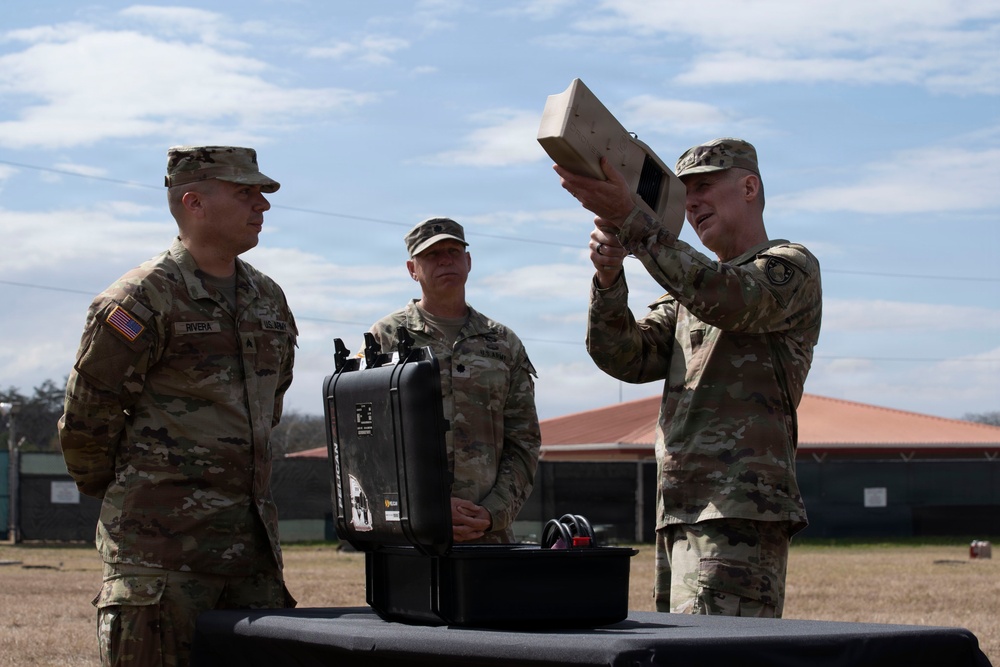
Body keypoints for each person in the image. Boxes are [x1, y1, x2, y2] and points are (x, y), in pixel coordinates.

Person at [554, 138, 822, 617]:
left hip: (739, 507)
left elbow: (731, 299)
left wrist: (636, 224)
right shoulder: (686, 294)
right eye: (685, 192)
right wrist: (610, 280)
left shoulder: (788, 265)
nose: (692, 202)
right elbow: (625, 356)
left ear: (749, 187)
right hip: (679, 509)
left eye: (704, 186)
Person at [58, 145, 298, 666]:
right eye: (245, 194)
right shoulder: (140, 299)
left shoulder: (268, 299)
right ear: (194, 202)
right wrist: (141, 500)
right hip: (160, 561)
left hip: (251, 558)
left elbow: (270, 403)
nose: (263, 206)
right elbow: (86, 421)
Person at [365, 217, 541, 544]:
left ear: (468, 261)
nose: (445, 260)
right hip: (410, 535)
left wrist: (493, 512)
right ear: (412, 269)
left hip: (486, 535)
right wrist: (420, 508)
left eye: (453, 251)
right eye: (431, 255)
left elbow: (524, 441)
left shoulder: (503, 343)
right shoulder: (385, 337)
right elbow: (366, 442)